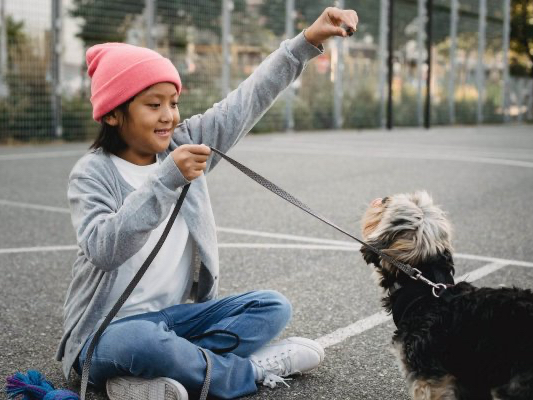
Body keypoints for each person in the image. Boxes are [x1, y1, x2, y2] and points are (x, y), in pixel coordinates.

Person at [56, 7, 358, 400]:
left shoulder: (183, 145)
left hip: (174, 322)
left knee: (272, 307)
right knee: (141, 342)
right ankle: (246, 371)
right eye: (153, 105)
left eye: (173, 102)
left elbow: (246, 101)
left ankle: (148, 381)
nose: (169, 116)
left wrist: (308, 41)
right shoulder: (91, 174)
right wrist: (167, 180)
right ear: (113, 113)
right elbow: (105, 249)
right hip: (105, 336)